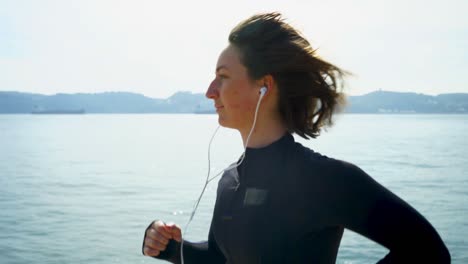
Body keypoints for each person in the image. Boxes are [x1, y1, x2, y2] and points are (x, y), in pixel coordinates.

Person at [142, 12, 451, 263]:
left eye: (222, 77)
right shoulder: (230, 181)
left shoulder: (325, 179)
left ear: (263, 86)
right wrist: (168, 248)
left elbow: (428, 252)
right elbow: (221, 259)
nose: (209, 91)